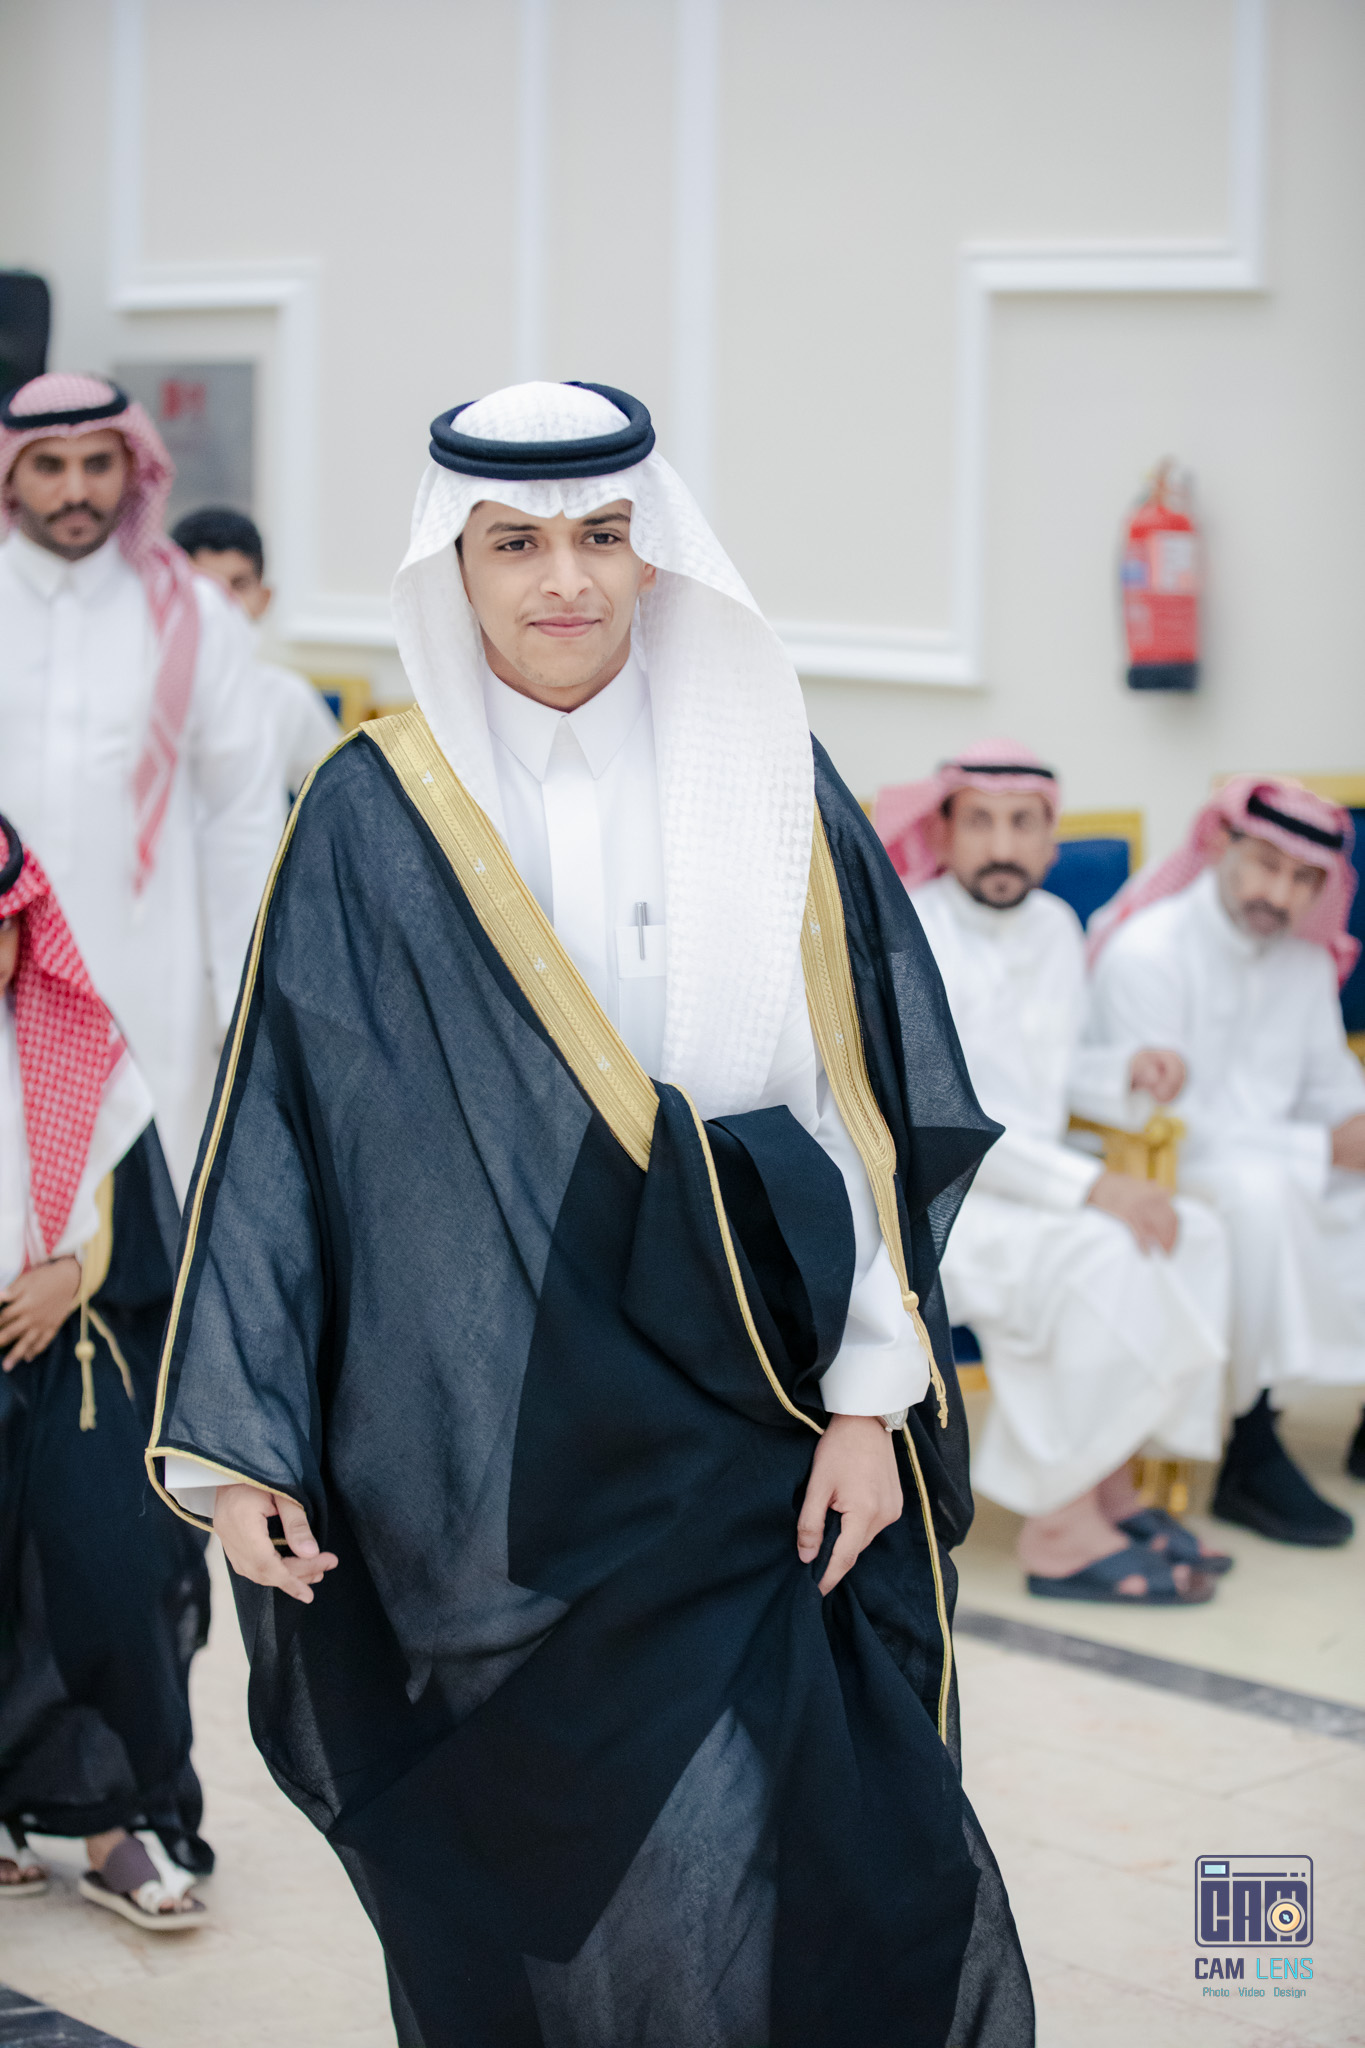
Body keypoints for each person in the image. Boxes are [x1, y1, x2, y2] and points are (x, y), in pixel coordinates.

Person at [148, 380, 1032, 2047]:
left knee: (803, 1833)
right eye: (516, 544)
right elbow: (285, 1129)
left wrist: (867, 1405)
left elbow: (849, 1112)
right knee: (545, 1851)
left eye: (602, 536)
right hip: (488, 1429)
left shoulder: (767, 771)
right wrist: (242, 1443)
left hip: (757, 1403)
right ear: (456, 569)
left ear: (649, 551)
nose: (565, 579)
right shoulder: (375, 806)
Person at [875, 743, 1231, 1604]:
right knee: (1099, 1258)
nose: (1001, 845)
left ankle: (1111, 1485)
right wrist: (1091, 1188)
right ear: (943, 833)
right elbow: (936, 1116)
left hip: (1031, 1185)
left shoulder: (1054, 928)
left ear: (1048, 841)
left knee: (1193, 1234)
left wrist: (1124, 1075)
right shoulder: (910, 931)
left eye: (1022, 825)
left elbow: (1052, 1079)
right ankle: (1061, 1530)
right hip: (936, 1200)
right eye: (980, 823)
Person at [0, 813, 211, 1930]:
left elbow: (139, 1218)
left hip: (62, 1355)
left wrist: (70, 1275)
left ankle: (115, 1823)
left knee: (108, 1564)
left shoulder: (72, 1032)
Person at [0, 374, 281, 1197]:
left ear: (134, 469)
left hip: (149, 969)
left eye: (98, 463)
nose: (76, 490)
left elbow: (241, 815)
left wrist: (244, 998)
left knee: (154, 1216)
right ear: (11, 473)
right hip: (7, 964)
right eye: (49, 466)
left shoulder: (196, 614)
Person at [1088, 777, 1365, 1546]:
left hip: (1276, 1164)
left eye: (1303, 879)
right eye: (1265, 865)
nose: (1280, 894)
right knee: (1261, 1196)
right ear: (1218, 845)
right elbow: (1166, 1123)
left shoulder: (1303, 964)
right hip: (1160, 1169)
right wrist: (1320, 1147)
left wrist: (1348, 1128)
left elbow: (1330, 1090)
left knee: (1289, 1189)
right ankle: (1251, 1441)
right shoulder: (1149, 952)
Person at [171, 505, 341, 812]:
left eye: (239, 586)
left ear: (264, 600)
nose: (222, 604)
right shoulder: (142, 691)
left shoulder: (289, 696)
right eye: (204, 587)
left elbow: (337, 802)